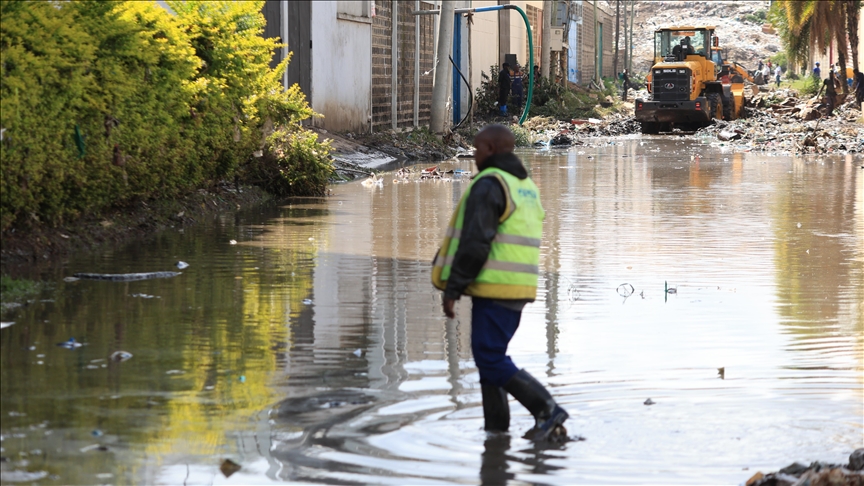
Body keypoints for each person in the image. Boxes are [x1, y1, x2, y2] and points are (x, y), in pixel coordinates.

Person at [432, 124, 569, 442]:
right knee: (489, 358)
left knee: (489, 356)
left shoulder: (490, 183)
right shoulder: (524, 184)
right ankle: (496, 431)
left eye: (477, 148)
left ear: (491, 149)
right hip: (518, 286)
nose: (474, 154)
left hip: (495, 286)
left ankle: (547, 410)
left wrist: (453, 288)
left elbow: (475, 243)